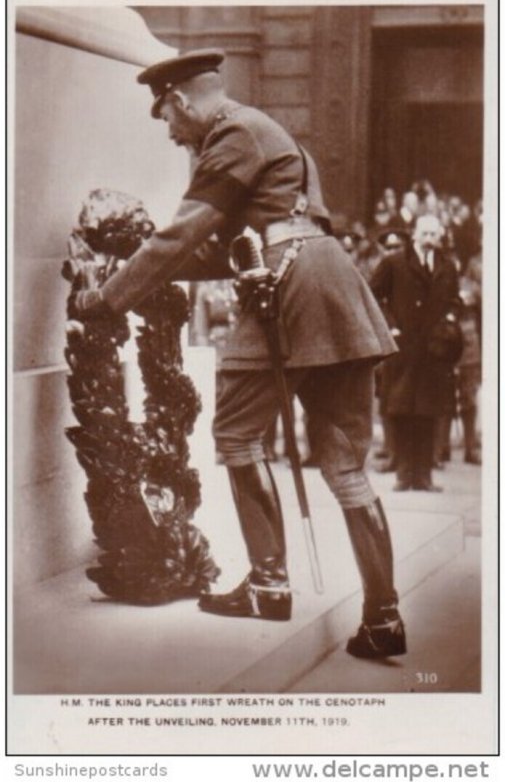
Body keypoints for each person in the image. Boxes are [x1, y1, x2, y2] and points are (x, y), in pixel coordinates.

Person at [76, 48, 406, 658]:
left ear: (180, 101)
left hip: (287, 286)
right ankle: (383, 618)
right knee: (345, 464)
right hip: (335, 287)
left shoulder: (232, 133)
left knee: (235, 432)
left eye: (170, 122)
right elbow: (211, 251)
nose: (174, 136)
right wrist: (144, 268)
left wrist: (108, 298)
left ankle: (268, 584)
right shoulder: (271, 136)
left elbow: (186, 233)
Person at [370, 215, 461, 492]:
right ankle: (404, 474)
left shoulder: (447, 266)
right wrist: (389, 326)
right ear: (415, 234)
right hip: (404, 349)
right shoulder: (394, 263)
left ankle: (424, 477)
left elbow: (455, 301)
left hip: (433, 351)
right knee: (402, 412)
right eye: (425, 233)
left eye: (435, 234)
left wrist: (448, 324)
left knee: (428, 413)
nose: (430, 239)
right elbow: (373, 296)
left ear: (440, 236)